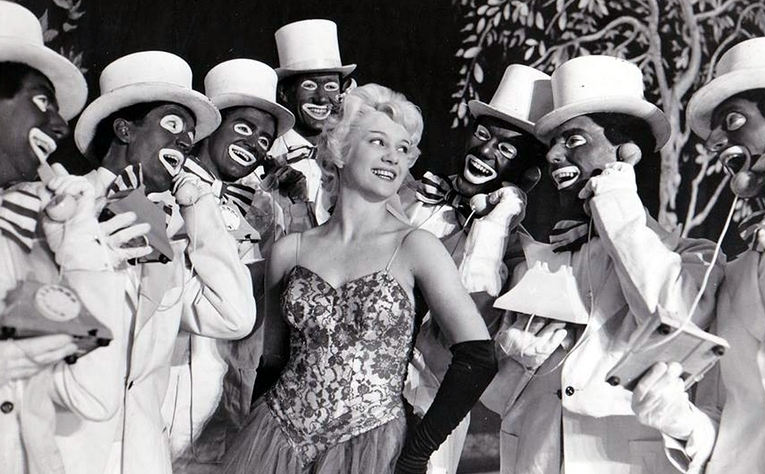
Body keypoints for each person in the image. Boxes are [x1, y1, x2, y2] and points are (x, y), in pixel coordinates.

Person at [220, 84, 497, 474]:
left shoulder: (416, 247)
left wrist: (417, 452)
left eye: (403, 148)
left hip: (373, 449)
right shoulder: (289, 251)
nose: (393, 157)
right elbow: (272, 364)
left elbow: (478, 357)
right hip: (276, 442)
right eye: (378, 141)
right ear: (340, 150)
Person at [481, 55, 723, 474]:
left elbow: (673, 317)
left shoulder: (694, 257)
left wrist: (615, 202)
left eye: (573, 139)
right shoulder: (541, 264)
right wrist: (513, 362)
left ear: (626, 154)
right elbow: (494, 401)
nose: (554, 155)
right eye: (552, 144)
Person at [55, 51, 256, 474]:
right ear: (125, 129)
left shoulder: (170, 232)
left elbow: (235, 317)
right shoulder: (59, 208)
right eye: (172, 125)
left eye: (189, 136)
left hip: (142, 455)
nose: (185, 141)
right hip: (64, 452)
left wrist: (200, 208)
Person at [0, 2, 144, 472]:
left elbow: (94, 396)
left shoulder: (34, 241)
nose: (60, 126)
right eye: (42, 101)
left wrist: (81, 247)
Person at [648, 36, 765, 474]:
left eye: (733, 120)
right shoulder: (736, 275)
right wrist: (682, 424)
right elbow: (733, 426)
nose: (715, 141)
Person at [399, 64, 551, 473]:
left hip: (429, 415)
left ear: (527, 178)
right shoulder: (413, 199)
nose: (485, 152)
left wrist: (494, 224)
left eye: (506, 150)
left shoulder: (517, 257)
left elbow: (464, 328)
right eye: (483, 135)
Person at [162, 58, 295, 472]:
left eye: (264, 139)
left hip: (222, 393)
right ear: (211, 126)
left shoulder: (262, 209)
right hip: (161, 385)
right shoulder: (165, 187)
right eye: (244, 127)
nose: (254, 144)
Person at [269, 18, 357, 231]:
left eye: (331, 86)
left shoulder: (353, 154)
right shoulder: (266, 154)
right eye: (309, 86)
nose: (321, 98)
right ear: (284, 93)